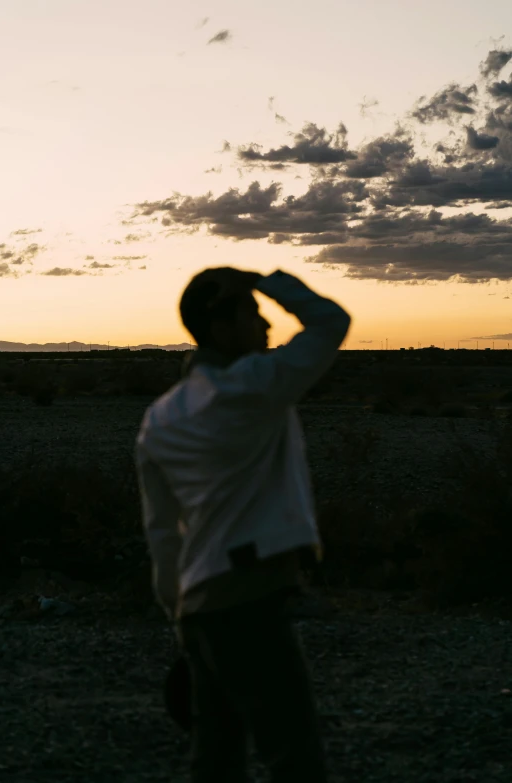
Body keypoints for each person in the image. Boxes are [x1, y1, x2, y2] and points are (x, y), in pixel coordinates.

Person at [135, 267, 351, 783]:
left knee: (215, 760)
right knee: (294, 758)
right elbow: (329, 321)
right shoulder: (257, 386)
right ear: (222, 327)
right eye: (254, 314)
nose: (268, 328)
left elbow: (163, 535)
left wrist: (178, 615)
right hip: (250, 598)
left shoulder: (159, 419)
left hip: (200, 608)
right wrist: (265, 278)